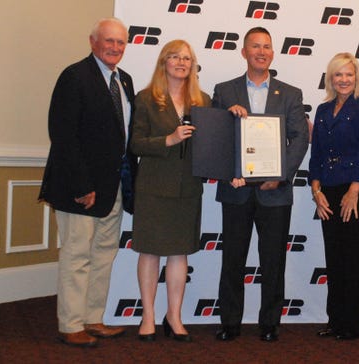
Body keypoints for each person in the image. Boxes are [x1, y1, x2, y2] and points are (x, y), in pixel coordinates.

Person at [39, 17, 136, 347]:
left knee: (103, 255)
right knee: (77, 256)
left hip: (114, 188)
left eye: (121, 42)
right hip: (79, 189)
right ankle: (70, 323)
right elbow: (63, 135)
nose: (115, 47)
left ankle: (94, 318)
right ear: (93, 42)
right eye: (109, 41)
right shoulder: (74, 76)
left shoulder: (125, 81)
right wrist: (82, 186)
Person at [212, 27, 309, 342]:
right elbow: (216, 139)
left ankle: (269, 323)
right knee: (233, 261)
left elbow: (299, 138)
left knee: (273, 262)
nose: (262, 51)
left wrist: (279, 176)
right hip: (236, 189)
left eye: (267, 46)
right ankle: (229, 322)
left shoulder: (290, 93)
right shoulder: (224, 91)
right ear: (244, 51)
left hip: (275, 192)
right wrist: (230, 168)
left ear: (272, 52)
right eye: (255, 46)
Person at [130, 39, 210, 343]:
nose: (181, 62)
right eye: (174, 57)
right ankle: (148, 316)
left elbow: (213, 144)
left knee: (179, 253)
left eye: (186, 58)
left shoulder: (203, 100)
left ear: (192, 65)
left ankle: (174, 316)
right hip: (152, 187)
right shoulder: (146, 98)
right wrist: (169, 139)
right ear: (164, 62)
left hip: (188, 188)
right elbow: (135, 144)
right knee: (149, 252)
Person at [309, 53, 359, 340]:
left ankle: (352, 324)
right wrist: (316, 191)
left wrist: (354, 191)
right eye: (338, 75)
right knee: (335, 258)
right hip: (328, 191)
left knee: (353, 258)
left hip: (357, 191)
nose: (344, 80)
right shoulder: (323, 110)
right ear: (331, 78)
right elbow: (317, 155)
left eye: (349, 74)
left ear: (356, 77)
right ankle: (335, 320)